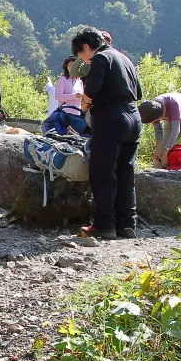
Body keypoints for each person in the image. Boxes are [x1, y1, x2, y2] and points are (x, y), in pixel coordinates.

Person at [72, 27, 143, 239]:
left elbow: (92, 89)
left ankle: (104, 225)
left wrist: (83, 106)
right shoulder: (124, 57)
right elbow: (138, 92)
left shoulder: (100, 58)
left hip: (111, 118)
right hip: (133, 118)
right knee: (125, 172)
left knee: (102, 172)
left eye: (81, 56)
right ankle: (127, 224)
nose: (83, 61)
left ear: (86, 47)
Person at [138, 92, 181, 168]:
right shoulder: (150, 109)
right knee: (161, 153)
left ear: (160, 116)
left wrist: (165, 153)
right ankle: (156, 173)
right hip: (172, 121)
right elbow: (159, 132)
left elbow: (175, 130)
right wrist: (159, 154)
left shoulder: (173, 103)